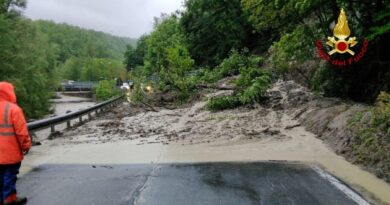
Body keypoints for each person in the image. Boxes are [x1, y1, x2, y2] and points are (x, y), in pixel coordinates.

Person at [0, 82, 31, 205]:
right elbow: (21, 132)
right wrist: (26, 145)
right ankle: (9, 198)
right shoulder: (14, 109)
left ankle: (3, 197)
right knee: (10, 175)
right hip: (10, 151)